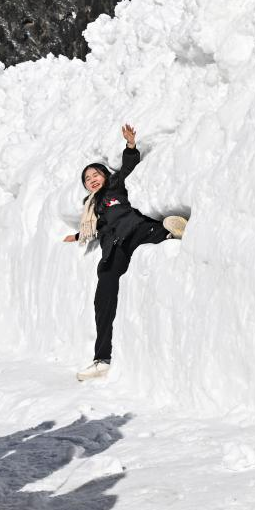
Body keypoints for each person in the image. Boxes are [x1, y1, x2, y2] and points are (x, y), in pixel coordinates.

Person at [63, 123, 187, 381]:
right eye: (87, 179)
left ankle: (169, 232)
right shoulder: (93, 209)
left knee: (149, 232)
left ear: (105, 176)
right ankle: (101, 359)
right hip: (113, 247)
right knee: (103, 297)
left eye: (96, 174)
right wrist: (77, 236)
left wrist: (130, 146)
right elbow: (95, 229)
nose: (92, 179)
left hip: (134, 228)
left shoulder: (115, 188)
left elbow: (129, 168)